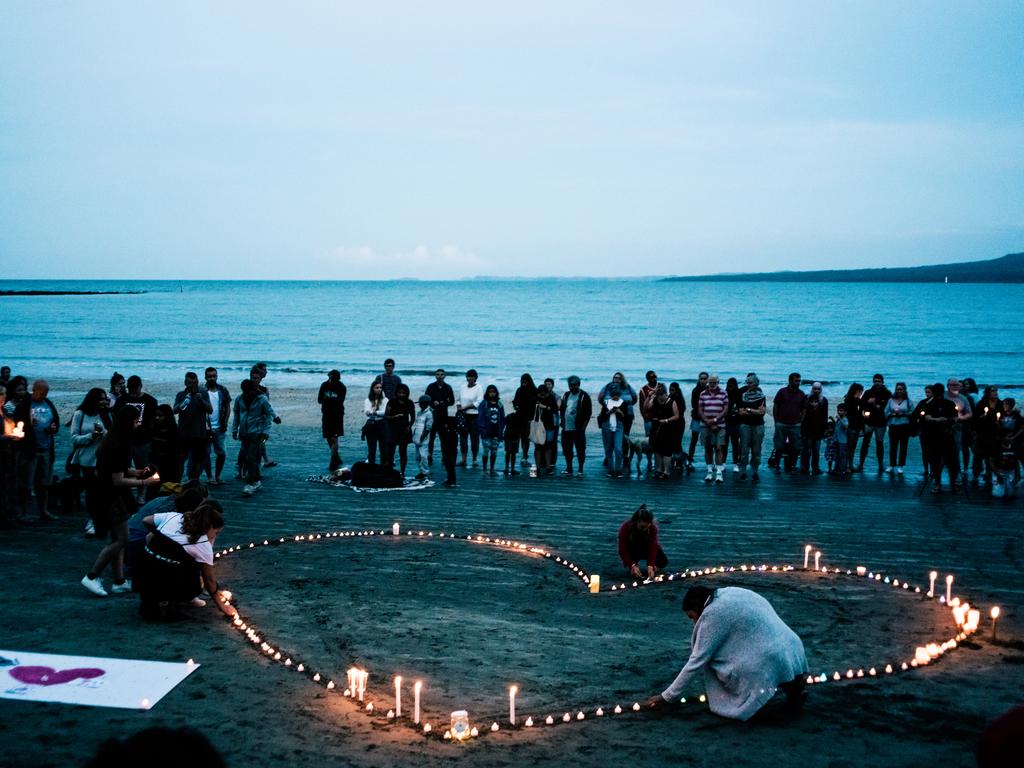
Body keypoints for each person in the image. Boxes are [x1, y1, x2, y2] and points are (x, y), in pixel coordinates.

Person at [646, 585, 808, 721]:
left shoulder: (712, 614)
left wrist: (667, 697)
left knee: (743, 664)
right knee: (772, 657)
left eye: (692, 617)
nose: (695, 623)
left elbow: (696, 660)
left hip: (769, 659)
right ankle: (795, 688)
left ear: (698, 608)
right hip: (794, 648)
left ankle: (761, 702)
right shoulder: (730, 592)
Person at [81, 406, 162, 597]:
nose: (138, 424)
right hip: (110, 496)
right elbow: (117, 480)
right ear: (128, 423)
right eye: (135, 421)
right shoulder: (119, 445)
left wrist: (139, 472)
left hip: (107, 493)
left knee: (119, 538)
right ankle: (92, 576)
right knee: (121, 539)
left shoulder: (113, 440)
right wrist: (145, 481)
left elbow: (120, 470)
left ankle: (119, 581)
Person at [137, 500, 237, 621]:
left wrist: (158, 533)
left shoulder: (175, 516)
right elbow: (209, 579)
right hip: (161, 576)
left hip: (141, 569)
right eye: (216, 532)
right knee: (195, 583)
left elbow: (146, 520)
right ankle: (169, 606)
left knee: (169, 562)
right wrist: (222, 606)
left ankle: (150, 602)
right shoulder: (202, 543)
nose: (215, 536)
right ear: (209, 526)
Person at [12, 379, 60, 521]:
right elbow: (17, 422)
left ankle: (43, 510)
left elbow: (55, 421)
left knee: (44, 483)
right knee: (26, 483)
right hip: (30, 449)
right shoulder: (25, 404)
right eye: (41, 392)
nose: (43, 395)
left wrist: (53, 428)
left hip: (45, 447)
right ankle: (23, 512)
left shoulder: (48, 403)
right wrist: (28, 424)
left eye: (46, 393)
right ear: (34, 389)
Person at [68, 388, 112, 534]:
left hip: (103, 459)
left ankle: (101, 518)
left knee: (103, 490)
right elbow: (74, 438)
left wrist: (103, 433)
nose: (104, 401)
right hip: (87, 459)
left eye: (105, 399)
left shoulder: (106, 414)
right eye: (100, 399)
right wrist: (91, 436)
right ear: (92, 400)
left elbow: (112, 436)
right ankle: (92, 520)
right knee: (92, 492)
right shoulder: (80, 414)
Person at [232, 379, 279, 496]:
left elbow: (269, 411)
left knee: (251, 457)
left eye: (248, 391)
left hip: (257, 433)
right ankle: (257, 481)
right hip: (244, 433)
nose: (246, 393)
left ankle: (250, 483)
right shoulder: (239, 399)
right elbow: (236, 415)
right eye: (244, 391)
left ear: (253, 389)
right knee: (253, 458)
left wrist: (273, 420)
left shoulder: (261, 398)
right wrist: (234, 429)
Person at [112, 375, 159, 490]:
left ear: (140, 387)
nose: (132, 392)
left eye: (135, 389)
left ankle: (141, 492)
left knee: (142, 468)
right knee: (124, 468)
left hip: (142, 441)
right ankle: (126, 489)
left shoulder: (150, 401)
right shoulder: (122, 400)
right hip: (125, 440)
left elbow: (154, 421)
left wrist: (151, 437)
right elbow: (115, 417)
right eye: (130, 389)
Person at [921, 382, 960, 493]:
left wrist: (949, 421)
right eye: (937, 392)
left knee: (952, 461)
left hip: (947, 435)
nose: (938, 394)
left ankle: (952, 485)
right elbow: (927, 418)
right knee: (936, 461)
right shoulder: (929, 405)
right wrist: (938, 420)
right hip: (934, 436)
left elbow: (956, 418)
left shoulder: (949, 404)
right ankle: (938, 484)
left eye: (940, 392)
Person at [173, 372, 213, 482]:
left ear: (198, 382)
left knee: (197, 461)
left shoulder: (203, 393)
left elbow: (210, 410)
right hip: (183, 434)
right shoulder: (181, 394)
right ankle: (178, 482)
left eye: (194, 382)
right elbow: (174, 411)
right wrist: (182, 403)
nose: (192, 385)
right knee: (180, 460)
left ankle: (194, 482)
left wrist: (201, 400)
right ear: (185, 383)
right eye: (189, 383)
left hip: (199, 434)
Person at [617, 504, 668, 579]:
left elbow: (653, 547)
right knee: (633, 570)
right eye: (642, 527)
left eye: (647, 526)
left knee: (662, 562)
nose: (645, 529)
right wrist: (632, 565)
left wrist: (650, 565)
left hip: (645, 548)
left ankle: (652, 568)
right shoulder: (626, 527)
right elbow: (622, 550)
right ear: (636, 522)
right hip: (632, 549)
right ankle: (634, 567)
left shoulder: (652, 528)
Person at [772, 373, 806, 473]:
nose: (798, 383)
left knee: (795, 446)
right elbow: (775, 406)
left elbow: (804, 409)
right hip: (781, 423)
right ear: (790, 380)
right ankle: (777, 464)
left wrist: (801, 421)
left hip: (795, 424)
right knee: (779, 445)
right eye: (796, 381)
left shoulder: (801, 393)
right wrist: (776, 421)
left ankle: (792, 465)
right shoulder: (782, 392)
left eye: (799, 381)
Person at [203, 368, 232, 485]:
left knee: (221, 453)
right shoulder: (202, 390)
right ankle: (210, 476)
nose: (212, 378)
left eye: (214, 376)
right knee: (206, 453)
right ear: (205, 377)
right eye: (209, 376)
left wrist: (225, 421)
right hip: (205, 427)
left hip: (220, 426)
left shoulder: (223, 390)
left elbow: (228, 407)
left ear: (217, 376)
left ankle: (218, 475)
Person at [858, 373, 892, 473]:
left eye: (879, 381)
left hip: (881, 423)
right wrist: (866, 405)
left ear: (882, 382)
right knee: (865, 442)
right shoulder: (868, 392)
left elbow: (888, 406)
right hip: (869, 422)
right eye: (875, 381)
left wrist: (876, 403)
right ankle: (861, 463)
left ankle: (880, 465)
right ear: (873, 382)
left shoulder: (887, 393)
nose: (877, 383)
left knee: (879, 443)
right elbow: (861, 405)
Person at [698, 375, 729, 483]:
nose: (712, 384)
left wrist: (715, 420)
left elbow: (725, 410)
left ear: (718, 382)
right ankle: (709, 472)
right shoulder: (703, 394)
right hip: (705, 425)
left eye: (714, 382)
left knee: (719, 448)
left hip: (720, 425)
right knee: (708, 448)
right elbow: (700, 409)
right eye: (710, 382)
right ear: (707, 382)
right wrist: (707, 421)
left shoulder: (723, 393)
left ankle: (719, 473)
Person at [559, 375, 592, 476]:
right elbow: (562, 409)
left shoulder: (584, 396)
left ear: (578, 385)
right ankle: (569, 468)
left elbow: (588, 413)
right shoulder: (566, 395)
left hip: (578, 428)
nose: (572, 387)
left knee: (580, 449)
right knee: (567, 449)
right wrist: (562, 421)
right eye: (570, 385)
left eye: (574, 385)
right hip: (566, 427)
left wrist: (583, 427)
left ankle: (580, 469)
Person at [736, 373, 766, 483]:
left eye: (751, 383)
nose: (748, 384)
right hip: (745, 425)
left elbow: (762, 412)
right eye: (747, 382)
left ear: (756, 383)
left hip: (758, 425)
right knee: (744, 450)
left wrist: (748, 410)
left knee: (756, 450)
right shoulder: (742, 394)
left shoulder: (761, 395)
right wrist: (754, 411)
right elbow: (740, 412)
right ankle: (743, 471)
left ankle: (755, 472)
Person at [146, 405, 181, 499]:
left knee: (167, 493)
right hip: (155, 466)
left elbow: (175, 452)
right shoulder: (154, 429)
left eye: (160, 416)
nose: (157, 418)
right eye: (156, 415)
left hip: (169, 467)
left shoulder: (173, 432)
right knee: (151, 492)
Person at [648, 384, 681, 478]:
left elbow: (677, 416)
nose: (661, 397)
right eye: (658, 394)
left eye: (662, 394)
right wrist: (650, 396)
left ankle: (666, 471)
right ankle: (658, 470)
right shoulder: (654, 400)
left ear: (666, 393)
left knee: (667, 451)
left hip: (668, 428)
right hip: (656, 427)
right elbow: (647, 407)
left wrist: (666, 420)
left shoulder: (672, 402)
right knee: (657, 450)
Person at [318, 370, 347, 471]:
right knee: (328, 437)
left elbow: (340, 401)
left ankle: (333, 461)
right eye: (330, 378)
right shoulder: (324, 385)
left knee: (335, 438)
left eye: (333, 379)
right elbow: (319, 400)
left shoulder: (341, 387)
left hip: (337, 415)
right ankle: (337, 457)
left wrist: (328, 399)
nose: (331, 381)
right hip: (326, 414)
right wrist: (330, 400)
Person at [426, 369, 456, 465]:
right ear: (435, 376)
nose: (440, 376)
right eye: (438, 374)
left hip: (443, 415)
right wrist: (432, 402)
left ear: (445, 376)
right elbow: (426, 399)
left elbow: (452, 401)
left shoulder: (448, 387)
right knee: (431, 436)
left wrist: (443, 403)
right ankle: (429, 455)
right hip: (432, 415)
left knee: (444, 437)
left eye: (441, 374)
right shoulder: (431, 387)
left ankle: (444, 456)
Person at [384, 383, 415, 475]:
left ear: (407, 393)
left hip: (404, 430)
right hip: (393, 429)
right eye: (399, 392)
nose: (401, 394)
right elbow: (386, 416)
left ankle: (402, 472)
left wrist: (409, 427)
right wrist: (394, 417)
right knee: (390, 451)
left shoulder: (409, 403)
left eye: (403, 393)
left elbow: (413, 417)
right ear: (396, 393)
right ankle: (389, 470)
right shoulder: (391, 402)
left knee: (403, 451)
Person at [945, 378, 973, 481]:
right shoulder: (943, 396)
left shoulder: (963, 398)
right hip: (943, 427)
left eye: (957, 385)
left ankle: (955, 475)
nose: (955, 387)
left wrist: (960, 418)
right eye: (953, 385)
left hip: (957, 428)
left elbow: (969, 413)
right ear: (948, 386)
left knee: (956, 450)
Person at [885, 382, 915, 475]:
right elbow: (885, 411)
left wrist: (903, 414)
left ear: (904, 390)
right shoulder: (891, 400)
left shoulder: (908, 401)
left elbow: (913, 412)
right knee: (893, 446)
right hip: (893, 426)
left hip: (904, 426)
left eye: (901, 389)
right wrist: (892, 414)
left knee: (903, 447)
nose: (899, 391)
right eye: (898, 389)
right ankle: (891, 464)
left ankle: (901, 465)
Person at [598, 381, 627, 478]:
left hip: (619, 427)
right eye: (613, 394)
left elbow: (626, 418)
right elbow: (601, 416)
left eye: (617, 394)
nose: (615, 396)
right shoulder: (606, 402)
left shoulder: (623, 403)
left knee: (618, 449)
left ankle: (618, 470)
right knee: (608, 449)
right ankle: (611, 470)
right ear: (611, 393)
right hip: (606, 426)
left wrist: (620, 412)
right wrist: (609, 412)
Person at [800, 382, 828, 475]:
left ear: (821, 389)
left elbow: (825, 415)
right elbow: (802, 412)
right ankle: (805, 468)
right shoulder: (806, 398)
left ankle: (815, 468)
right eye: (814, 388)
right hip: (807, 428)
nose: (816, 390)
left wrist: (825, 429)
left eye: (818, 389)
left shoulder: (823, 400)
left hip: (818, 429)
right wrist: (801, 426)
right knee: (806, 450)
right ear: (812, 389)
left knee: (816, 450)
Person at [477, 385, 505, 476]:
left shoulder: (499, 403)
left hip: (496, 431)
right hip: (486, 431)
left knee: (494, 451)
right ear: (487, 393)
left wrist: (502, 428)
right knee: (486, 450)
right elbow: (480, 417)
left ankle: (492, 469)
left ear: (496, 393)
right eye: (490, 391)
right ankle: (485, 469)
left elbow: (503, 417)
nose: (492, 393)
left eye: (494, 392)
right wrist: (482, 430)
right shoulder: (484, 403)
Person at [457, 369, 483, 468]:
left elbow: (479, 402)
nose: (470, 378)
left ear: (475, 378)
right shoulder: (463, 387)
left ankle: (474, 459)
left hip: (474, 415)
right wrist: (459, 408)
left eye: (472, 376)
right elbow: (458, 400)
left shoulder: (479, 387)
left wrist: (466, 407)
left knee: (474, 438)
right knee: (463, 437)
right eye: (468, 376)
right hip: (463, 416)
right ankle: (463, 459)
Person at [512, 374, 538, 466]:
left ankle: (524, 456)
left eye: (525, 380)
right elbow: (514, 401)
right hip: (519, 417)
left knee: (526, 438)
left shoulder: (534, 390)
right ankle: (520, 456)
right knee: (519, 437)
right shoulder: (519, 390)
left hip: (529, 418)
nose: (523, 382)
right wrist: (515, 405)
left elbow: (537, 403)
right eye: (522, 380)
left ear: (529, 381)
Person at [534, 382, 558, 475]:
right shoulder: (535, 399)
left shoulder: (551, 398)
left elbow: (555, 410)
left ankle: (548, 466)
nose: (542, 395)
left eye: (543, 393)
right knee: (538, 447)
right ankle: (538, 467)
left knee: (548, 446)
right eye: (540, 394)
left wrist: (544, 407)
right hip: (538, 425)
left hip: (549, 425)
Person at [361, 380, 388, 465]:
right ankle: (371, 468)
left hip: (382, 424)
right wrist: (372, 412)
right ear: (372, 389)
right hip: (371, 425)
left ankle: (383, 468)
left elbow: (385, 412)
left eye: (380, 388)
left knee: (383, 449)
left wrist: (376, 412)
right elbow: (367, 411)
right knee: (371, 449)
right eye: (377, 388)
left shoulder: (385, 400)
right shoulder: (368, 400)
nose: (379, 389)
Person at [841, 383, 865, 473]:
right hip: (851, 426)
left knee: (852, 447)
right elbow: (848, 414)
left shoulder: (857, 400)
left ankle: (850, 465)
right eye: (860, 391)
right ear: (857, 391)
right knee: (849, 447)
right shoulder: (849, 400)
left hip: (856, 426)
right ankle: (847, 465)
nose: (861, 393)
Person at [687, 372, 709, 468]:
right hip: (697, 417)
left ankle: (709, 462)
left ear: (707, 379)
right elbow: (693, 404)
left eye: (705, 379)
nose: (703, 380)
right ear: (699, 379)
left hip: (707, 418)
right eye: (701, 378)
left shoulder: (710, 390)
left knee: (707, 441)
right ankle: (690, 460)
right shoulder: (695, 390)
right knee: (694, 439)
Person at [410, 395, 433, 480]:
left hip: (423, 439)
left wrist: (421, 438)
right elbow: (416, 425)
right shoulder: (419, 412)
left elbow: (428, 428)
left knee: (423, 456)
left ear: (426, 404)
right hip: (417, 437)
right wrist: (414, 435)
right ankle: (421, 471)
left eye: (422, 403)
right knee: (417, 456)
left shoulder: (429, 413)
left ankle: (425, 472)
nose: (420, 405)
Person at [724, 377, 743, 472]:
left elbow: (741, 407)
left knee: (735, 444)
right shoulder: (724, 394)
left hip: (736, 423)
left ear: (735, 385)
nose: (730, 386)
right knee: (725, 444)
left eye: (732, 384)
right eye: (729, 384)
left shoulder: (739, 395)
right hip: (726, 422)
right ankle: (722, 463)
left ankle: (735, 463)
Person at [639, 371, 659, 436]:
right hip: (649, 418)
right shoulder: (643, 390)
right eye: (652, 377)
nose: (655, 379)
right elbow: (641, 406)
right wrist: (645, 418)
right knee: (649, 438)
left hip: (660, 418)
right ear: (648, 379)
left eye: (655, 377)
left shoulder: (661, 386)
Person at [832, 402, 850, 476]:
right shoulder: (839, 419)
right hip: (836, 440)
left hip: (842, 441)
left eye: (841, 410)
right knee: (837, 456)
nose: (839, 412)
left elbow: (846, 427)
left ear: (845, 412)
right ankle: (836, 469)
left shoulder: (845, 419)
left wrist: (840, 419)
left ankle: (842, 470)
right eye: (839, 410)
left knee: (842, 456)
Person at [503, 409, 521, 476]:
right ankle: (512, 468)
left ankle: (507, 467)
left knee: (508, 452)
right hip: (515, 436)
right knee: (513, 453)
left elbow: (504, 423)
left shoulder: (509, 416)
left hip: (508, 435)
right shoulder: (520, 418)